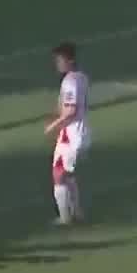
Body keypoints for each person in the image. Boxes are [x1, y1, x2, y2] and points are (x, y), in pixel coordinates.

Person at [46, 42, 90, 226]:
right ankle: (76, 212)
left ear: (69, 60)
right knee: (67, 175)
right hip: (78, 132)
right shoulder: (81, 77)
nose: (58, 64)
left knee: (58, 175)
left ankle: (65, 217)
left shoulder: (70, 81)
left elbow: (70, 110)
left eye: (60, 60)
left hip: (71, 135)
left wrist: (53, 125)